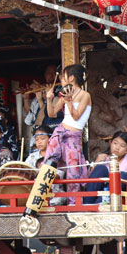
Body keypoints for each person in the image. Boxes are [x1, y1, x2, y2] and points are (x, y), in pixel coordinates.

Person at [42, 64, 91, 194]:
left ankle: (73, 205)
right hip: (60, 132)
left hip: (73, 137)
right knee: (48, 164)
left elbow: (76, 117)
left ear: (72, 78)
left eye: (64, 76)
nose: (61, 79)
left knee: (73, 173)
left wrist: (68, 101)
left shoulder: (85, 95)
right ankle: (45, 198)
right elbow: (52, 113)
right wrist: (48, 99)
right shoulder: (64, 94)